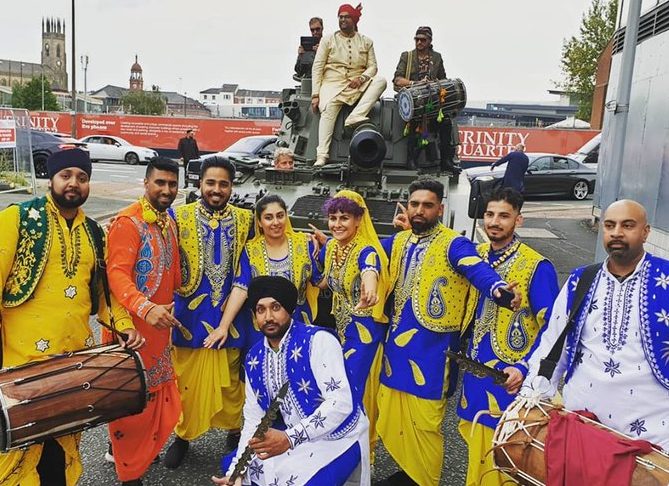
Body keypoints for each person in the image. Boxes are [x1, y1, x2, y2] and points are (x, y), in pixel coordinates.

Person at [0, 149, 142, 486]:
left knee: (58, 457)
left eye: (82, 177)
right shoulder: (18, 219)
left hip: (72, 361)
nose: (73, 183)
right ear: (51, 179)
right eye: (66, 176)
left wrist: (124, 326)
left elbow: (106, 296)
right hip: (20, 363)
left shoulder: (95, 233)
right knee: (14, 454)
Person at [377, 177, 521, 486]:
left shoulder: (453, 242)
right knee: (393, 421)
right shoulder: (400, 240)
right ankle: (407, 476)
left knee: (427, 427)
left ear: (440, 209)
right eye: (414, 204)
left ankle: (423, 480)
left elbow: (476, 269)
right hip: (395, 353)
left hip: (432, 356)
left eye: (427, 205)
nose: (419, 211)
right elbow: (370, 254)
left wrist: (499, 290)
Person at [522, 199, 669, 451]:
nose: (617, 233)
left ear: (646, 232)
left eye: (628, 225)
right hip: (583, 424)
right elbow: (553, 343)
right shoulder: (581, 280)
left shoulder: (664, 278)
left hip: (654, 434)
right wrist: (531, 397)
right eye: (610, 225)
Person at [212, 276, 370, 486]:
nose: (268, 316)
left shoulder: (318, 341)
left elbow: (340, 404)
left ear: (289, 309)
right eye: (261, 310)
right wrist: (236, 472)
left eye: (275, 307)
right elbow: (253, 419)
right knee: (240, 471)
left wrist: (289, 439)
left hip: (338, 437)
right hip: (290, 434)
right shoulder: (254, 357)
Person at [457, 188, 559, 486]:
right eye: (490, 214)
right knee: (476, 454)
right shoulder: (473, 258)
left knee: (506, 460)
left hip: (510, 380)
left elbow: (552, 329)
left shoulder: (536, 266)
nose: (495, 222)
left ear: (519, 220)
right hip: (475, 376)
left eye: (504, 215)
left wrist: (525, 367)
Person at [163, 156, 254, 469]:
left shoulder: (246, 219)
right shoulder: (178, 216)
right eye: (211, 183)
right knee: (185, 382)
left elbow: (253, 260)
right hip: (189, 316)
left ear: (232, 186)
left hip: (232, 314)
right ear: (200, 184)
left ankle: (234, 428)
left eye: (223, 184)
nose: (217, 190)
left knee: (231, 381)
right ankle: (184, 435)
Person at [106, 157, 182, 485]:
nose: (166, 190)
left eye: (172, 184)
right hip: (133, 329)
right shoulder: (128, 222)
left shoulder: (168, 221)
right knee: (132, 402)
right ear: (146, 183)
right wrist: (146, 308)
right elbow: (117, 275)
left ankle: (134, 455)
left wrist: (176, 299)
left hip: (159, 329)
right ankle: (129, 472)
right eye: (160, 183)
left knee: (157, 401)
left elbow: (174, 271)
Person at [315, 189, 387, 450]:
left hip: (365, 331)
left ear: (359, 220)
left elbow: (370, 270)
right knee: (340, 385)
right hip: (344, 329)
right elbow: (323, 282)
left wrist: (370, 289)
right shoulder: (333, 246)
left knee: (350, 388)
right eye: (333, 218)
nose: (337, 224)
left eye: (344, 218)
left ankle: (358, 450)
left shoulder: (366, 250)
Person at [208, 194, 321, 353]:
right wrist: (223, 327)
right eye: (268, 217)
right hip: (261, 331)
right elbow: (241, 289)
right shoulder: (251, 250)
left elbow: (320, 281)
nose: (276, 222)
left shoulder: (305, 244)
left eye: (280, 216)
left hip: (297, 327)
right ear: (259, 222)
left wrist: (332, 246)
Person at [311, 3, 387, 167]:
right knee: (329, 110)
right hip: (333, 84)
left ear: (354, 19)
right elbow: (317, 67)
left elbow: (373, 66)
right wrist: (315, 95)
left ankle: (356, 116)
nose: (343, 20)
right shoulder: (328, 40)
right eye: (341, 17)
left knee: (381, 81)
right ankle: (322, 155)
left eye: (347, 16)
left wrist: (362, 78)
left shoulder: (366, 41)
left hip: (357, 83)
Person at [393, 26, 461, 173]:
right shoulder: (407, 56)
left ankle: (446, 161)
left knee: (446, 123)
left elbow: (443, 81)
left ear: (429, 40)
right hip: (413, 104)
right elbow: (397, 80)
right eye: (416, 39)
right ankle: (411, 160)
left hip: (433, 103)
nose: (419, 42)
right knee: (415, 126)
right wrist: (415, 84)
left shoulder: (437, 57)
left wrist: (434, 83)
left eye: (422, 40)